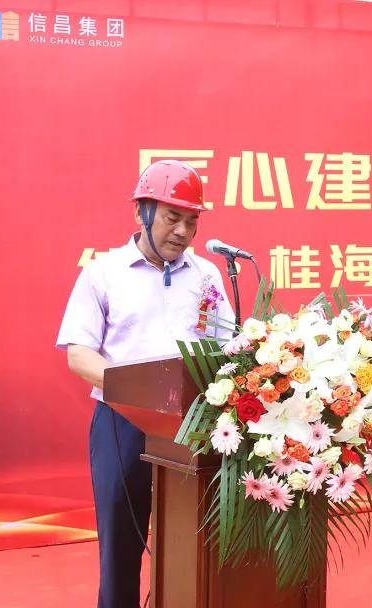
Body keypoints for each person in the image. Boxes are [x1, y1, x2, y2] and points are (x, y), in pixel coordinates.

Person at [56, 160, 234, 608]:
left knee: (195, 538)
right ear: (141, 212)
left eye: (192, 221)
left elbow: (227, 345)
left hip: (194, 426)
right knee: (121, 542)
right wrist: (141, 393)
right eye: (172, 218)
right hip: (123, 423)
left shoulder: (208, 275)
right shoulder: (104, 273)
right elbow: (79, 354)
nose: (182, 231)